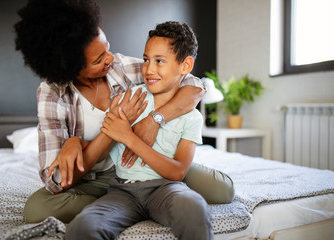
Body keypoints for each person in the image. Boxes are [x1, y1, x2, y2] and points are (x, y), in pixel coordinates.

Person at [14, 0, 234, 224]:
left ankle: (129, 202)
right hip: (92, 180)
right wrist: (96, 134)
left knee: (222, 191)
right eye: (99, 59)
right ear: (69, 67)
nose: (110, 58)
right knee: (36, 209)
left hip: (143, 164)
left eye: (107, 48)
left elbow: (194, 85)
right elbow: (57, 180)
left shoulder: (121, 67)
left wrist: (154, 120)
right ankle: (132, 204)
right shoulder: (52, 94)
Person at [66, 21, 213, 240]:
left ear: (185, 65)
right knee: (82, 226)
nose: (149, 69)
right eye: (146, 59)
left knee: (194, 207)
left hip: (165, 189)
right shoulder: (129, 98)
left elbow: (178, 172)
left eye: (159, 61)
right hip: (122, 191)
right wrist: (74, 142)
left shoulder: (191, 117)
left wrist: (130, 138)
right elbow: (104, 148)